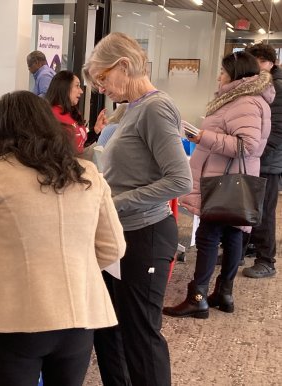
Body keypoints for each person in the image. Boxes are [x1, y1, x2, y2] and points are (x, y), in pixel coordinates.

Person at [0, 91, 126, 386]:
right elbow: (114, 246)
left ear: (1, 129)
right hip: (80, 315)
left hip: (17, 315)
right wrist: (78, 267)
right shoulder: (87, 171)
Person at [82, 32, 192, 386]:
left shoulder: (155, 107)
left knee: (141, 337)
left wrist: (114, 203)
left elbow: (179, 181)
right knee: (112, 330)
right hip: (122, 233)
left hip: (145, 234)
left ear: (124, 66)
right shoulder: (131, 109)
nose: (101, 88)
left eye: (103, 78)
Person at [164, 52, 272, 318]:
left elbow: (247, 145)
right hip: (228, 181)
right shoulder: (244, 99)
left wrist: (202, 136)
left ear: (236, 74)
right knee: (233, 235)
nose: (219, 76)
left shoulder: (244, 101)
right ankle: (224, 294)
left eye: (223, 72)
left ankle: (198, 297)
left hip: (223, 184)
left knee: (209, 237)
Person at [241, 43, 282, 279]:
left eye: (256, 63)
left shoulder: (276, 87)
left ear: (268, 62)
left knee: (264, 212)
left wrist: (256, 155)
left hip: (267, 160)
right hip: (257, 157)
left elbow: (276, 130)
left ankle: (267, 261)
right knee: (248, 208)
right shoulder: (263, 84)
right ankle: (246, 248)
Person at [45, 70, 107, 155]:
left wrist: (96, 130)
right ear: (64, 87)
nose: (81, 91)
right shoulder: (49, 115)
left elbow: (80, 144)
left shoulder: (73, 112)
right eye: (77, 86)